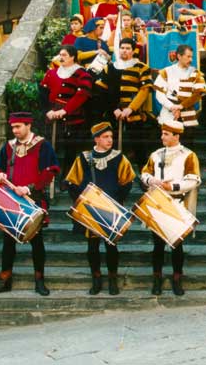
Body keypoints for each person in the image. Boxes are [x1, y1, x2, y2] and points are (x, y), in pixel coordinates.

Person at [0, 112, 61, 296]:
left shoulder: (42, 145)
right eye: (13, 127)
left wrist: (29, 188)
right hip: (11, 200)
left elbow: (50, 171)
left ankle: (39, 281)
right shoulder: (9, 146)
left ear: (28, 125)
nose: (15, 130)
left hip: (33, 199)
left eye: (18, 126)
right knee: (8, 242)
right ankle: (5, 280)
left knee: (37, 242)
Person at [65, 122, 135, 295]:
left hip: (111, 209)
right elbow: (72, 182)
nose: (110, 140)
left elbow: (128, 181)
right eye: (105, 137)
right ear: (96, 139)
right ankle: (96, 279)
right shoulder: (83, 158)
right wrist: (84, 202)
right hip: (90, 210)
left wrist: (115, 202)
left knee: (111, 246)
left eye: (111, 136)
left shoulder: (119, 158)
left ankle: (112, 279)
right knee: (92, 246)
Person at [141, 119, 202, 295]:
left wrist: (172, 186)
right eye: (162, 133)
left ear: (176, 136)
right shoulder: (155, 154)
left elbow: (194, 179)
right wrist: (151, 180)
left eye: (166, 134)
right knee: (158, 245)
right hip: (157, 203)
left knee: (177, 244)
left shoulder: (188, 155)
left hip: (177, 203)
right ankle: (157, 278)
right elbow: (144, 173)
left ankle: (177, 278)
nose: (162, 137)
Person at [95, 38, 153, 161]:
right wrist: (114, 109)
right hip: (112, 113)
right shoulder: (109, 67)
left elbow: (144, 90)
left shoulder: (142, 68)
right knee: (109, 144)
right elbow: (103, 92)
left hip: (134, 113)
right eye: (122, 48)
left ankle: (143, 170)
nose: (124, 51)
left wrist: (131, 108)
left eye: (127, 48)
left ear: (133, 51)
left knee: (139, 146)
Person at [40, 45, 94, 172]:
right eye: (60, 55)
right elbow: (43, 93)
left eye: (64, 55)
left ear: (72, 57)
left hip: (73, 118)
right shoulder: (51, 73)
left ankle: (66, 178)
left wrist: (65, 110)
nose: (61, 57)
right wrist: (48, 110)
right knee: (49, 148)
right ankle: (48, 176)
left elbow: (82, 94)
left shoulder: (82, 74)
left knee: (70, 151)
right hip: (52, 116)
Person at [154, 44, 206, 132]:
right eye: (188, 56)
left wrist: (181, 106)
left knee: (187, 138)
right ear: (179, 56)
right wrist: (172, 107)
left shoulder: (195, 73)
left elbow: (198, 94)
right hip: (168, 114)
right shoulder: (166, 71)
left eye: (192, 57)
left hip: (188, 117)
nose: (191, 60)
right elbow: (159, 94)